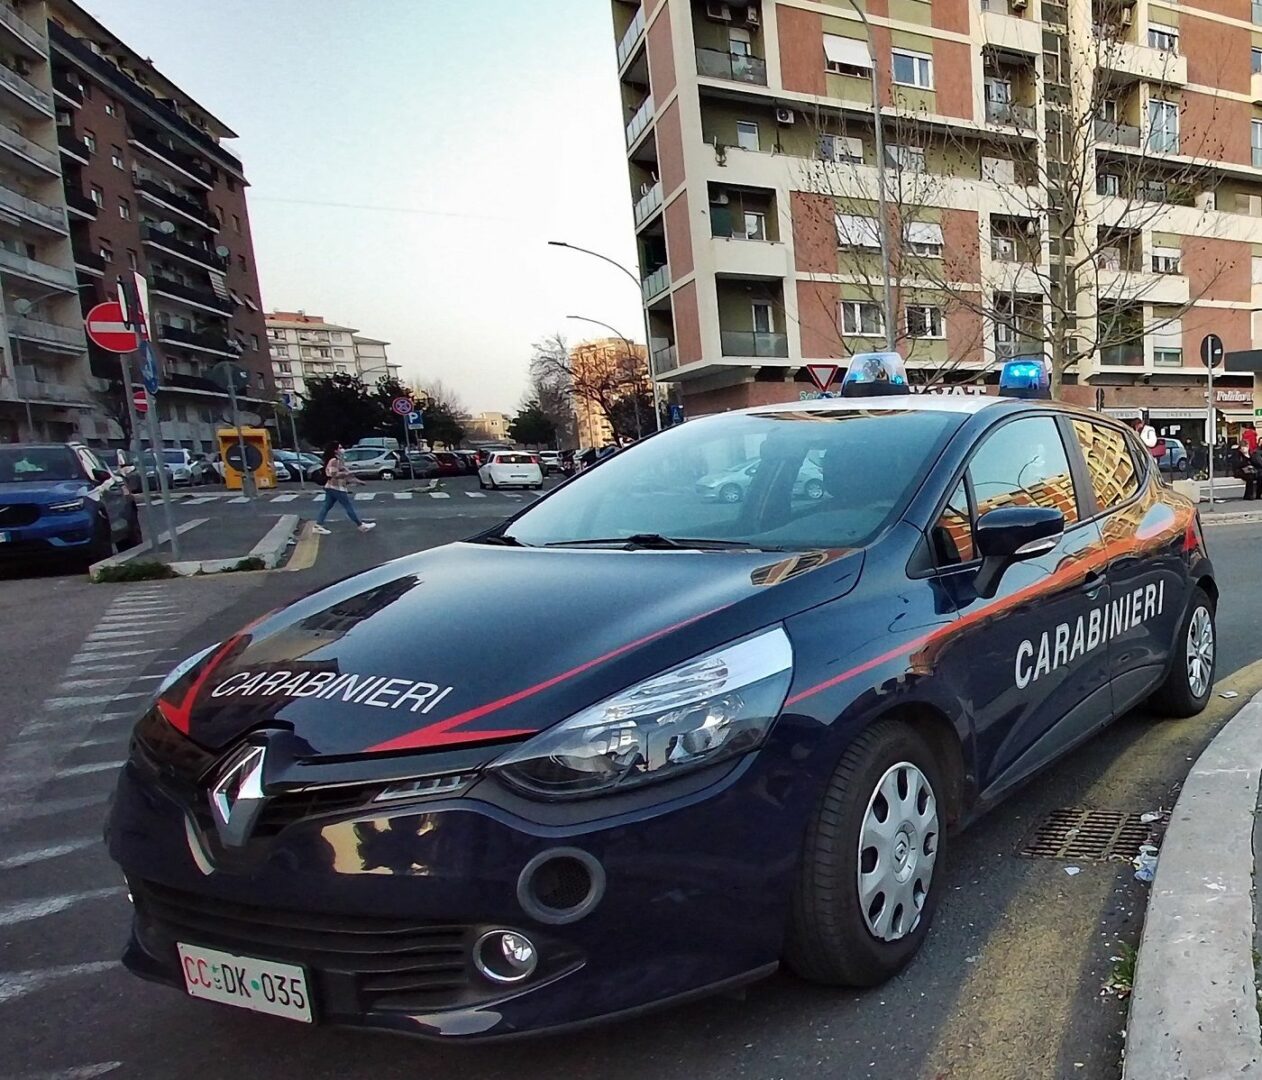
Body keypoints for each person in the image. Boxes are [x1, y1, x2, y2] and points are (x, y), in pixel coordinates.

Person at [313, 442, 376, 534]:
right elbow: (333, 474)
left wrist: (358, 481)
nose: (342, 449)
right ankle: (360, 525)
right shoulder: (334, 460)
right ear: (335, 450)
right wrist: (346, 474)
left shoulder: (338, 460)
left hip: (331, 486)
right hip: (336, 487)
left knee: (326, 506)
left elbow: (345, 473)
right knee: (347, 506)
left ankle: (318, 525)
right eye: (340, 448)